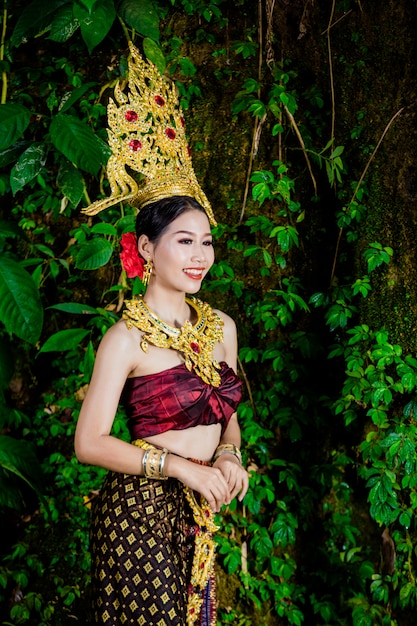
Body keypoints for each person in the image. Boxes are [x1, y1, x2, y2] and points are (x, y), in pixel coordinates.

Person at [74, 194, 249, 625]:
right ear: (147, 248)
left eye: (206, 243)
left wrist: (229, 454)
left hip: (200, 506)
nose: (200, 256)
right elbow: (88, 443)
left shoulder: (221, 328)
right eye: (185, 241)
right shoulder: (126, 338)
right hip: (139, 510)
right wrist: (182, 468)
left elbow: (227, 418)